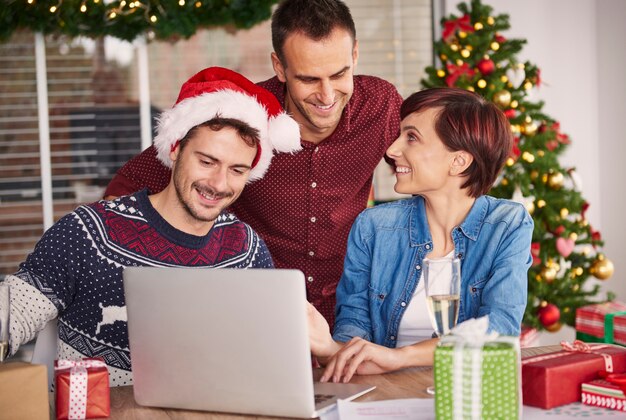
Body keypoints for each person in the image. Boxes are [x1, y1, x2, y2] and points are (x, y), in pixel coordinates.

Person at [103, 0, 403, 328]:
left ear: (355, 55)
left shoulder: (380, 105)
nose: (327, 94)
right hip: (251, 310)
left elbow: (426, 170)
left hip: (350, 312)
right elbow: (131, 182)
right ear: (280, 67)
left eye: (339, 74)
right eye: (308, 79)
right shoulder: (241, 115)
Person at [0, 67, 301, 386]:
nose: (218, 184)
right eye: (207, 162)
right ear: (175, 149)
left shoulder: (246, 251)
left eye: (237, 170)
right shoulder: (89, 231)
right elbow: (13, 315)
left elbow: (265, 361)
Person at [308, 87, 533, 383]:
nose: (392, 150)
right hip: (385, 394)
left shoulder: (507, 224)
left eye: (411, 137)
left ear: (459, 162)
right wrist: (327, 347)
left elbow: (499, 329)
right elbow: (354, 337)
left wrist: (399, 357)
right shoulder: (373, 227)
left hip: (467, 391)